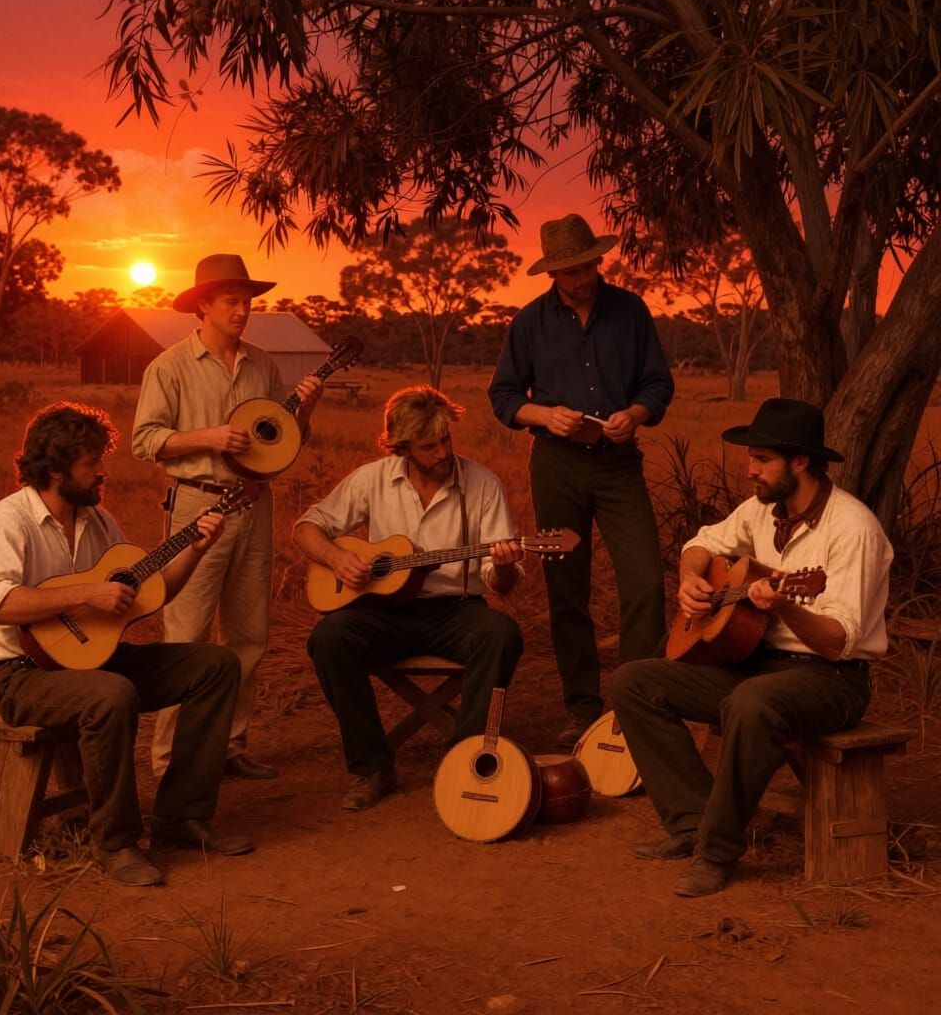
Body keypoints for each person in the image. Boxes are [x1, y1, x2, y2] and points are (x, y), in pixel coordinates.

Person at [610, 398, 892, 897]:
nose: (750, 470)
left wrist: (785, 608)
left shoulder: (854, 529)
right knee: (635, 681)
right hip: (756, 661)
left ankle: (717, 851)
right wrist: (690, 580)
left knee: (751, 702)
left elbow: (838, 640)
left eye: (761, 459)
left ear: (799, 462)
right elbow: (701, 542)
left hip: (832, 678)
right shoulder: (761, 509)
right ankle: (692, 824)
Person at [0, 402, 253, 887]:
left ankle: (180, 816)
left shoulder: (98, 521)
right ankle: (115, 843)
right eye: (90, 463)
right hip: (23, 676)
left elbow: (152, 593)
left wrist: (196, 549)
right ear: (55, 469)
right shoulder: (8, 521)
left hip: (94, 658)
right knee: (111, 693)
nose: (101, 473)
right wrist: (86, 593)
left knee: (216, 664)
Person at [132, 253, 323, 780]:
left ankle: (231, 745)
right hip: (196, 501)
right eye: (232, 302)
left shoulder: (262, 365)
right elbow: (144, 441)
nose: (243, 311)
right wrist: (207, 437)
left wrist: (305, 409)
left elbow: (283, 444)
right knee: (186, 633)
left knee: (248, 634)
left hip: (254, 502)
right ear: (203, 306)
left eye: (248, 303)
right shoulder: (168, 367)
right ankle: (170, 759)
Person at [292, 386, 526, 811]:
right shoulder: (372, 479)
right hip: (384, 612)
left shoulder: (482, 484)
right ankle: (372, 766)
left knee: (501, 634)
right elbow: (308, 526)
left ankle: (463, 758)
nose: (441, 453)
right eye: (428, 445)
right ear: (401, 447)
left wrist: (506, 565)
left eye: (445, 440)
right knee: (329, 638)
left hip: (455, 610)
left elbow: (499, 583)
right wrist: (337, 557)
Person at [488, 213, 674, 748]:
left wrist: (634, 414)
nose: (580, 278)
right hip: (556, 465)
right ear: (552, 273)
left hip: (618, 464)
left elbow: (658, 383)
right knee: (566, 589)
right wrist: (545, 417)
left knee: (645, 583)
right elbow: (503, 397)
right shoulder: (529, 323)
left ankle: (638, 702)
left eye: (586, 266)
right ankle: (583, 707)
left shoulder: (631, 311)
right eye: (568, 272)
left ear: (597, 259)